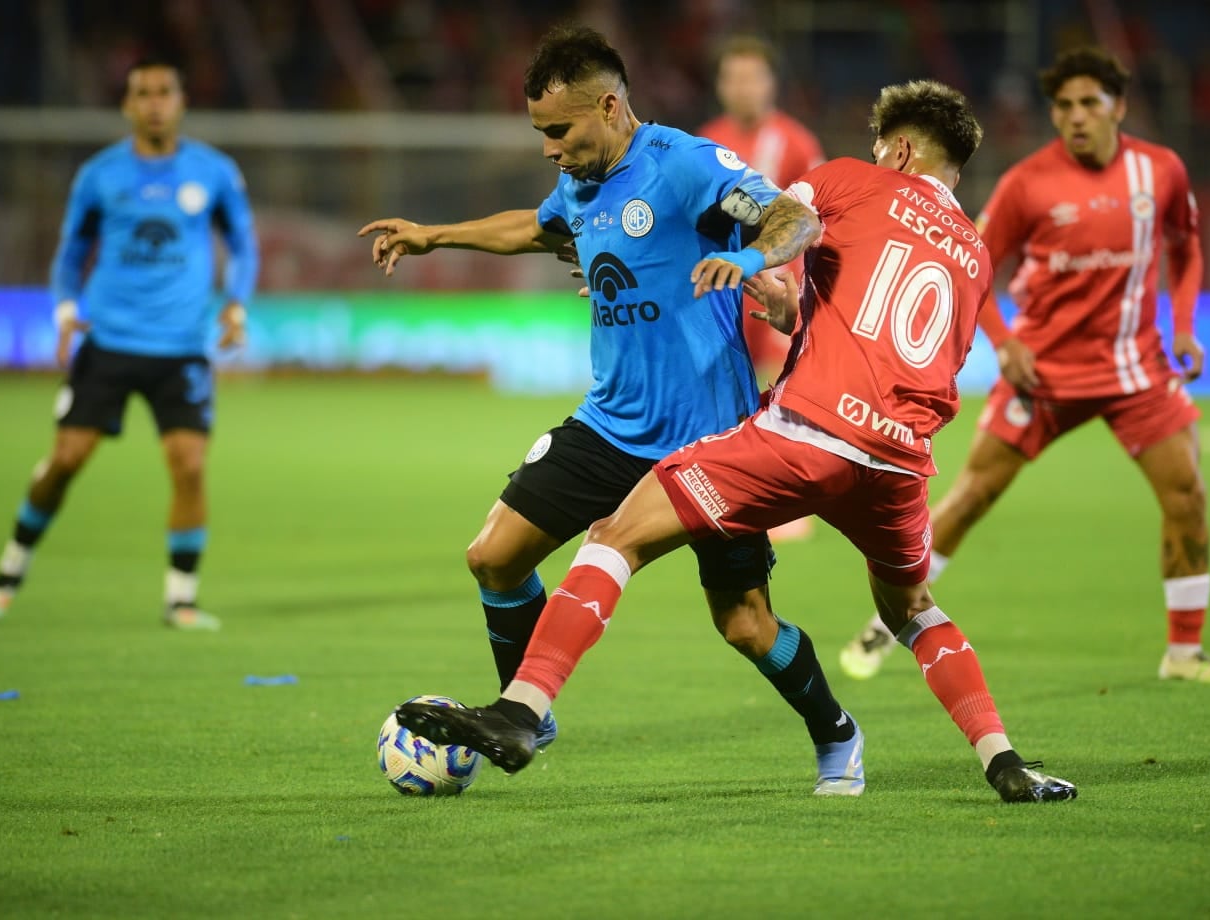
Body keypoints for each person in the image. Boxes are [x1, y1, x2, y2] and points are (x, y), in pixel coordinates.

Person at [397, 79, 1078, 804]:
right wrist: (787, 304)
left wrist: (754, 264)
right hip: (898, 461)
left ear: (900, 151)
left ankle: (524, 711)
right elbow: (898, 346)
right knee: (914, 611)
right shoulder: (972, 254)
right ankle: (1004, 762)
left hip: (797, 436)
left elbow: (790, 221)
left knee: (632, 546)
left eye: (883, 149)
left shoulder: (853, 181)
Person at [359, 25, 865, 795]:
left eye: (558, 130)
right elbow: (538, 227)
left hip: (711, 440)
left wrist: (749, 257)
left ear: (608, 105)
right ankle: (528, 705)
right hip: (611, 424)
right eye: (539, 133)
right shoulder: (582, 182)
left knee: (746, 624)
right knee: (494, 556)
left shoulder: (685, 164)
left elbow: (796, 221)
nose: (548, 148)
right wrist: (436, 237)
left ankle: (837, 734)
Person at [839, 47, 1210, 686]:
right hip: (1044, 373)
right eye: (1063, 106)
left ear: (1120, 106)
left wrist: (1185, 328)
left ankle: (1185, 652)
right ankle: (889, 621)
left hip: (1134, 369)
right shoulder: (1028, 183)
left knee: (1188, 491)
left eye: (1089, 103)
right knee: (972, 496)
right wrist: (1003, 343)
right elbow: (973, 257)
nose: (1075, 117)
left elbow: (1186, 246)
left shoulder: (1160, 172)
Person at [0, 59, 258, 632]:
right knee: (66, 461)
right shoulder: (100, 175)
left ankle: (181, 598)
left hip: (180, 348)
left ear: (180, 101)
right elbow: (71, 253)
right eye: (142, 93)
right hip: (110, 341)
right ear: (127, 105)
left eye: (164, 92)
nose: (154, 102)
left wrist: (235, 301)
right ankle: (9, 570)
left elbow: (243, 244)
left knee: (189, 466)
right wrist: (67, 309)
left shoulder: (214, 172)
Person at [698, 35, 825, 543]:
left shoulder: (795, 142)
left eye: (752, 77)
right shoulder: (705, 140)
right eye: (733, 77)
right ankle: (728, 486)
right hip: (721, 285)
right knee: (725, 385)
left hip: (779, 281)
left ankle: (787, 502)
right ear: (720, 85)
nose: (742, 87)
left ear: (771, 84)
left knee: (781, 387)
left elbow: (817, 218)